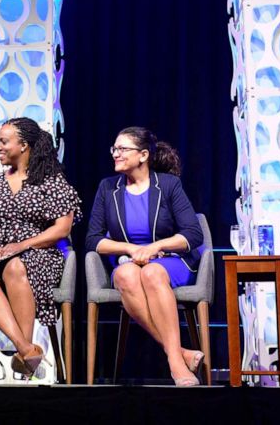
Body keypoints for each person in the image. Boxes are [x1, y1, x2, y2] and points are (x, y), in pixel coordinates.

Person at [0, 117, 82, 378]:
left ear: (23, 145)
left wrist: (21, 245)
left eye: (3, 141)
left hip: (40, 254)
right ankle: (27, 350)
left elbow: (62, 229)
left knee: (14, 265)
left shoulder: (51, 181)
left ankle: (25, 355)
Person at [86, 126, 205, 386]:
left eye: (122, 149)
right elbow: (93, 239)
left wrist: (154, 247)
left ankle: (175, 363)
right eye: (114, 149)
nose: (115, 154)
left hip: (168, 260)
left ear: (142, 155)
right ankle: (179, 354)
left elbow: (193, 234)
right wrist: (130, 249)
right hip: (128, 262)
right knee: (128, 276)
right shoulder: (108, 188)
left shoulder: (168, 185)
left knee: (152, 273)